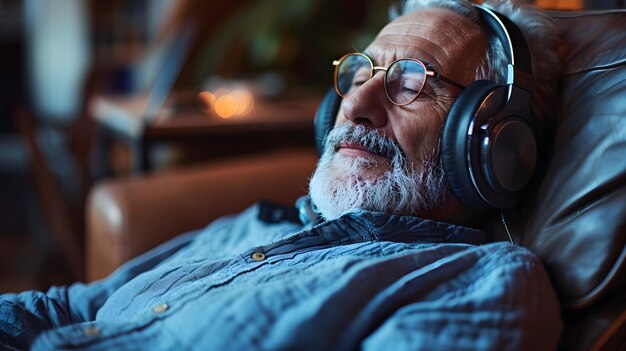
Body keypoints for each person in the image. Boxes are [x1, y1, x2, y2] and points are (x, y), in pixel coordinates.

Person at [1, 0, 562, 350]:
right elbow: (69, 309)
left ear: (490, 141)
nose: (356, 104)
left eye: (413, 81)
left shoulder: (482, 283)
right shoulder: (252, 227)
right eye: (360, 72)